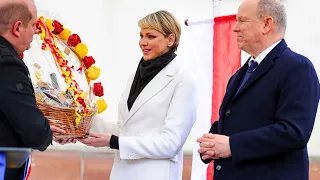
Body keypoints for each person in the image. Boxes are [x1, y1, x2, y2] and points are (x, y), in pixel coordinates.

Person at [197, 0, 320, 179]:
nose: (235, 28)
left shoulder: (297, 68)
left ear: (266, 24)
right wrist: (212, 142)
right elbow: (237, 120)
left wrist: (232, 145)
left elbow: (294, 132)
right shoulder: (241, 73)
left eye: (242, 21)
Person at [78, 10, 197, 180]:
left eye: (150, 36)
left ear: (170, 39)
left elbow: (170, 143)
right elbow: (126, 129)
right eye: (141, 36)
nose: (143, 42)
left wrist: (115, 142)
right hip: (123, 173)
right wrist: (81, 123)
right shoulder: (136, 75)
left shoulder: (184, 80)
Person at [0, 0, 71, 179]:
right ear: (17, 28)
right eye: (33, 25)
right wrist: (44, 131)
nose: (35, 31)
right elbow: (33, 132)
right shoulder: (7, 64)